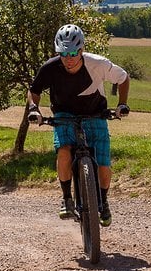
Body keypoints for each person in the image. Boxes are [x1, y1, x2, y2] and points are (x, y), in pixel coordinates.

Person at [27, 24, 130, 224]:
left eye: (73, 52)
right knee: (64, 150)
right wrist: (33, 109)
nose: (69, 58)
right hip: (64, 115)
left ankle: (104, 201)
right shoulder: (50, 68)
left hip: (95, 113)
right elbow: (34, 89)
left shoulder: (97, 64)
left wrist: (122, 104)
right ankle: (67, 199)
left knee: (103, 162)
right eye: (63, 53)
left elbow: (123, 78)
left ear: (82, 49)